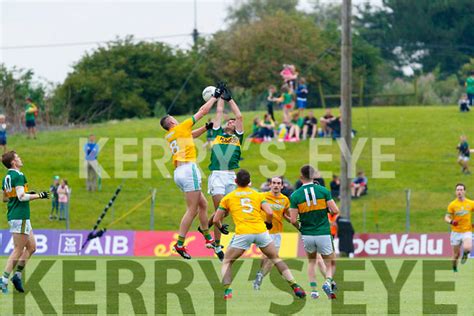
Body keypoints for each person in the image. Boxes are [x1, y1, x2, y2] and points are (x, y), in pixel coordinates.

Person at [213, 169, 306, 300]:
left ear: (235, 181)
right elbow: (269, 213)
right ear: (249, 181)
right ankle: (295, 285)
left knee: (227, 261)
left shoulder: (228, 197)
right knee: (275, 258)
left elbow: (216, 219)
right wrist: (268, 223)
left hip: (243, 233)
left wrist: (221, 228)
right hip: (261, 231)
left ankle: (228, 291)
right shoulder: (258, 195)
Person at [160, 83, 223, 259]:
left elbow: (191, 135)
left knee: (203, 204)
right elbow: (202, 111)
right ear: (172, 122)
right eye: (174, 118)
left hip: (179, 173)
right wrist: (214, 97)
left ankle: (208, 238)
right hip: (188, 170)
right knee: (192, 209)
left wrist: (205, 129)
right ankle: (180, 244)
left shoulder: (171, 134)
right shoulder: (180, 128)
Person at [193, 86, 244, 261]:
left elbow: (239, 116)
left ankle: (205, 226)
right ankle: (217, 245)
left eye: (233, 123)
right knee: (219, 210)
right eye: (228, 122)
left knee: (225, 212)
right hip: (217, 175)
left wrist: (231, 99)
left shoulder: (238, 137)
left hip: (231, 176)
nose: (231, 122)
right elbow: (220, 112)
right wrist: (220, 97)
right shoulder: (216, 134)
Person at [1, 151, 49, 294]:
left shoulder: (7, 177)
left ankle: (17, 276)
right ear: (13, 163)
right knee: (18, 249)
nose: (20, 159)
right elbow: (22, 197)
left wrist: (23, 195)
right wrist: (39, 195)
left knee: (32, 247)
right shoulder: (18, 175)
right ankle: (3, 280)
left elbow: (5, 198)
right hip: (20, 216)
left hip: (18, 216)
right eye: (18, 157)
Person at [289, 165, 340, 299]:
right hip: (323, 232)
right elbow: (335, 210)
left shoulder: (295, 195)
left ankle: (314, 291)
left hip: (307, 234)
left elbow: (293, 219)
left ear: (301, 177)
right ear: (314, 176)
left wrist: (301, 228)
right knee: (331, 263)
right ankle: (328, 282)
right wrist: (325, 211)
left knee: (312, 262)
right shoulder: (323, 191)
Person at [253, 176, 293, 290]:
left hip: (277, 233)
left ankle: (260, 276)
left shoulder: (285, 200)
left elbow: (286, 214)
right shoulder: (262, 196)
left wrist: (292, 220)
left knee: (271, 258)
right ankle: (260, 274)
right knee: (266, 256)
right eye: (274, 183)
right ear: (270, 185)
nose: (276, 185)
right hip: (263, 231)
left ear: (282, 186)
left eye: (278, 183)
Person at [445, 183, 474, 272]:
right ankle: (454, 268)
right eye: (458, 190)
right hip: (456, 232)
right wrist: (452, 222)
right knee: (456, 255)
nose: (459, 192)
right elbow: (446, 217)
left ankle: (465, 254)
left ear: (464, 191)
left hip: (467, 231)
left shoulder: (471, 203)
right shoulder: (452, 205)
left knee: (468, 247)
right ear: (455, 192)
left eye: (461, 190)